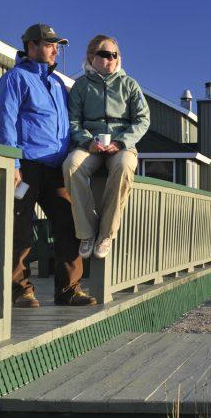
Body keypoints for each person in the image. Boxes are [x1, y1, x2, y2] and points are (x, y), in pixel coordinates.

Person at [0, 23, 97, 308]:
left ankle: (68, 290)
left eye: (57, 46)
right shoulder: (15, 79)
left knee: (69, 222)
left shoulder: (57, 84)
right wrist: (11, 163)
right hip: (25, 167)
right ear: (32, 46)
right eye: (50, 45)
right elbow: (4, 123)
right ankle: (20, 290)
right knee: (20, 226)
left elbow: (67, 125)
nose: (55, 51)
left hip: (55, 169)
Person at [63, 35, 150, 260]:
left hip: (121, 146)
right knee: (71, 165)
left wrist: (121, 142)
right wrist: (87, 141)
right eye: (105, 54)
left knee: (124, 166)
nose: (110, 59)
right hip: (90, 145)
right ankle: (87, 232)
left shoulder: (129, 85)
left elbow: (142, 120)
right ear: (91, 56)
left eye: (114, 55)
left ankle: (106, 233)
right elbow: (73, 121)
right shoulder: (81, 86)